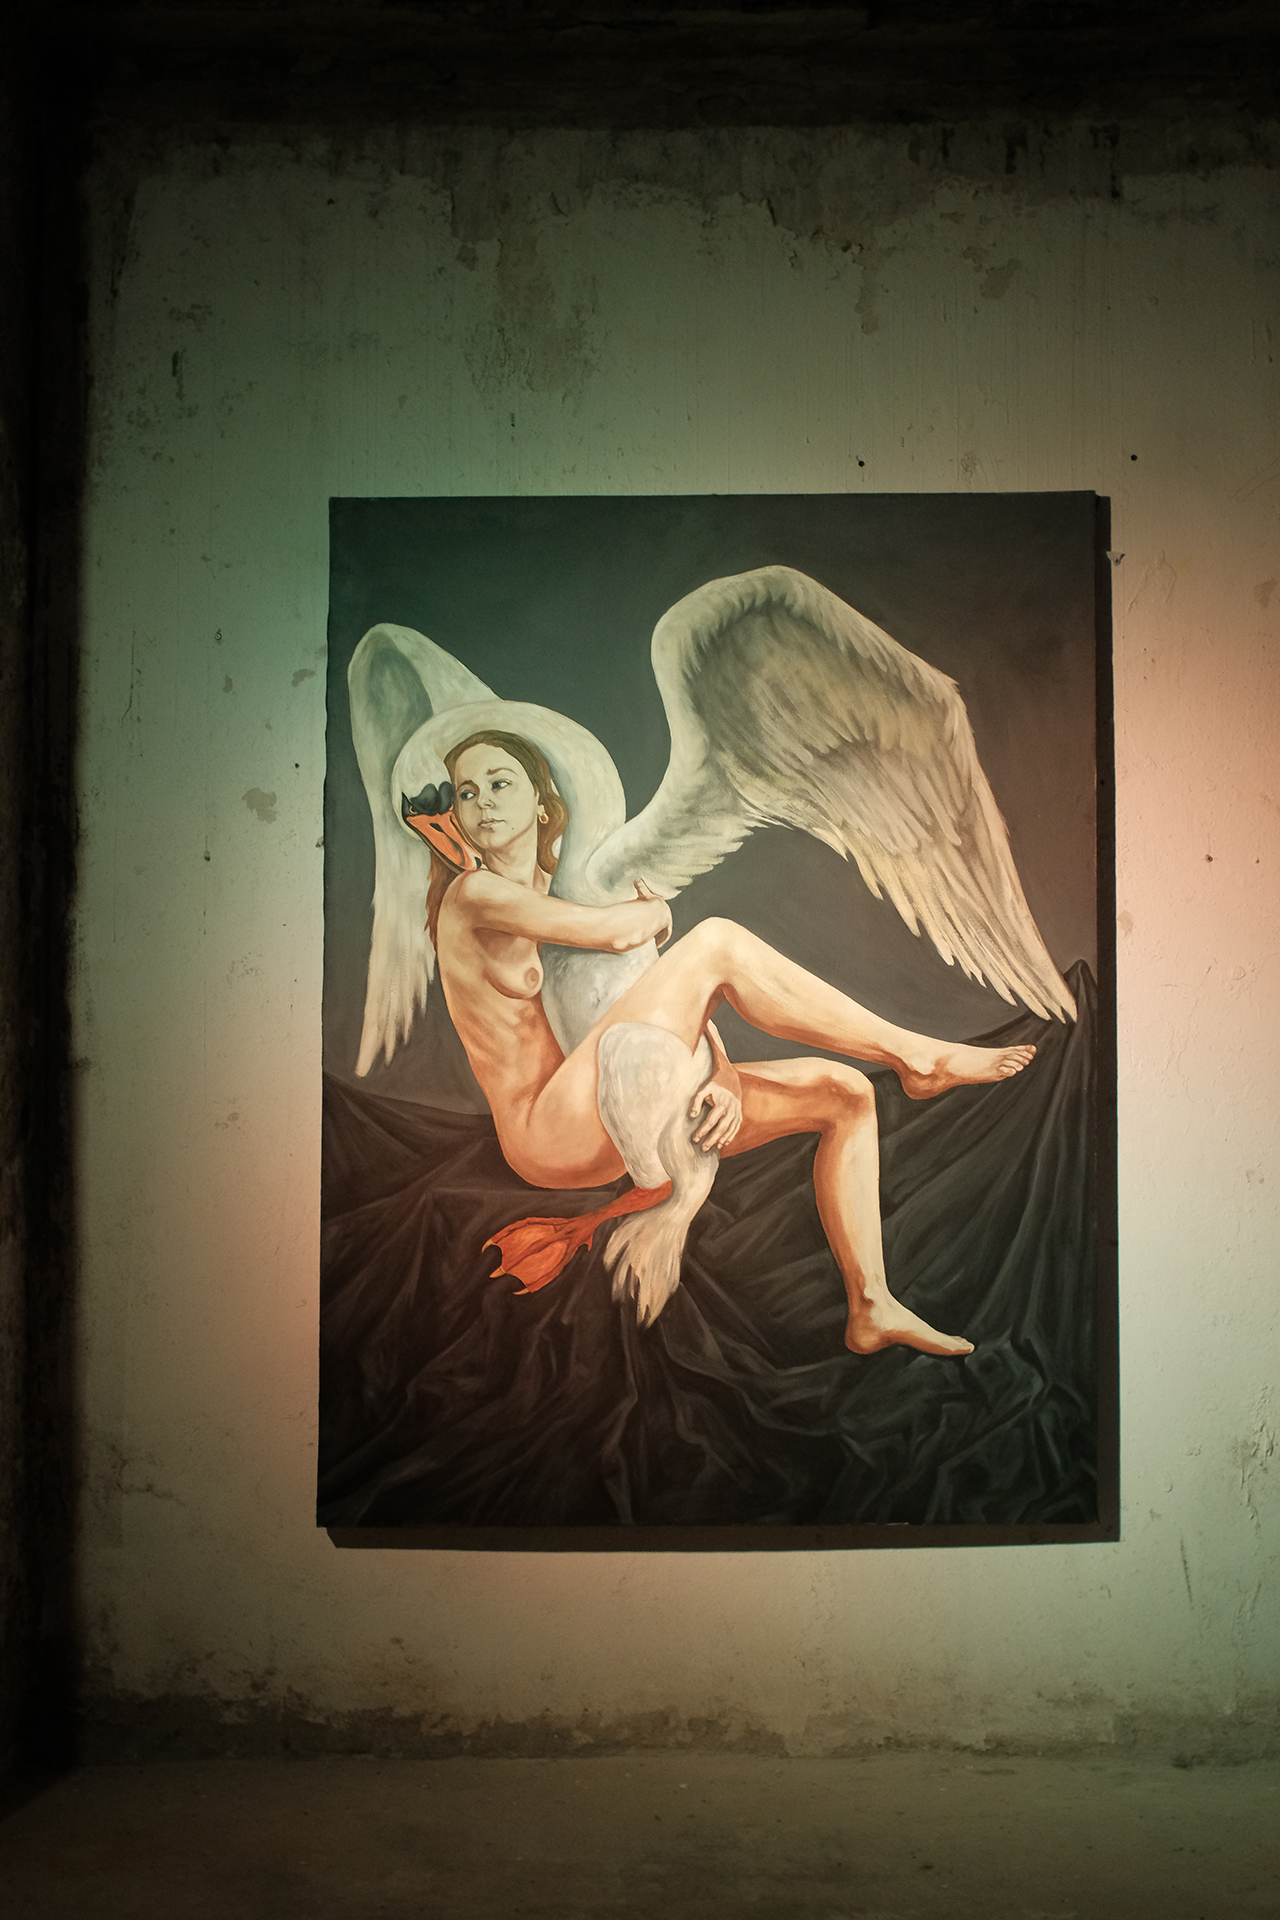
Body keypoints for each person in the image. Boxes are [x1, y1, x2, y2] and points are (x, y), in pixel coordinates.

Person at [416, 728, 1036, 1359]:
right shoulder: (473, 895)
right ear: (456, 815)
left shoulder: (561, 889)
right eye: (467, 792)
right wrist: (656, 914)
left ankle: (871, 1305)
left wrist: (724, 1075)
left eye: (499, 783)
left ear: (541, 800)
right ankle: (915, 1056)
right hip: (547, 1134)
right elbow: (622, 934)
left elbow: (661, 1000)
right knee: (716, 942)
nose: (483, 802)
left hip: (609, 1105)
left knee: (845, 1093)